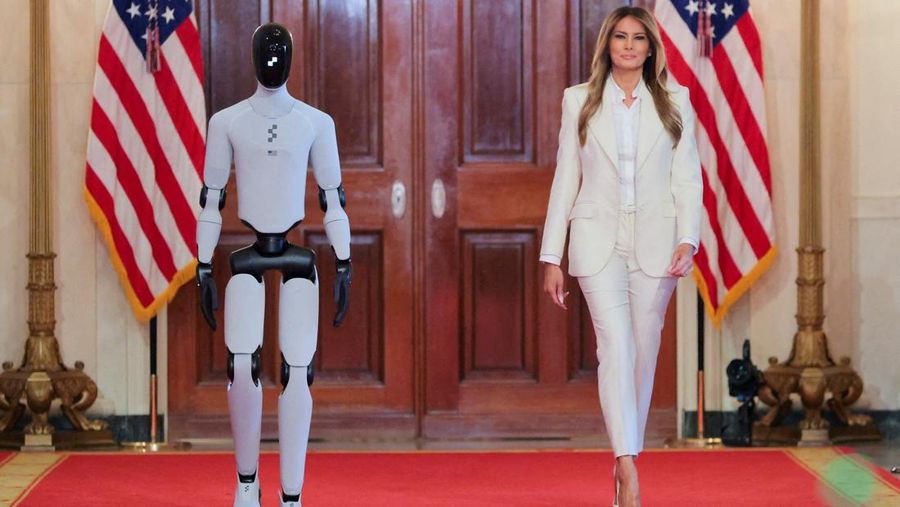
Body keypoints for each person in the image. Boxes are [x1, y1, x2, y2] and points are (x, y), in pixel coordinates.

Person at [539, 6, 702, 506]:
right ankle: (628, 468)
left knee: (642, 351)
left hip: (657, 241)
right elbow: (566, 178)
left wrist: (688, 239)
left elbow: (688, 178)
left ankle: (622, 453)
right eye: (620, 37)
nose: (629, 46)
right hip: (595, 239)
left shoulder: (677, 100)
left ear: (651, 47)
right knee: (615, 348)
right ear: (607, 45)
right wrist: (552, 256)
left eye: (638, 38)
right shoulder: (578, 101)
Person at [195, 23, 352, 507]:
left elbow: (334, 199)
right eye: (266, 49)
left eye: (280, 50)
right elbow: (211, 200)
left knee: (298, 373)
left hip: (296, 257)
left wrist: (344, 261)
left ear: (292, 58)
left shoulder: (315, 122)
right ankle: (246, 482)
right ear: (252, 55)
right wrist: (203, 266)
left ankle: (291, 493)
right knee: (242, 365)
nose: (273, 58)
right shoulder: (225, 123)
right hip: (248, 256)